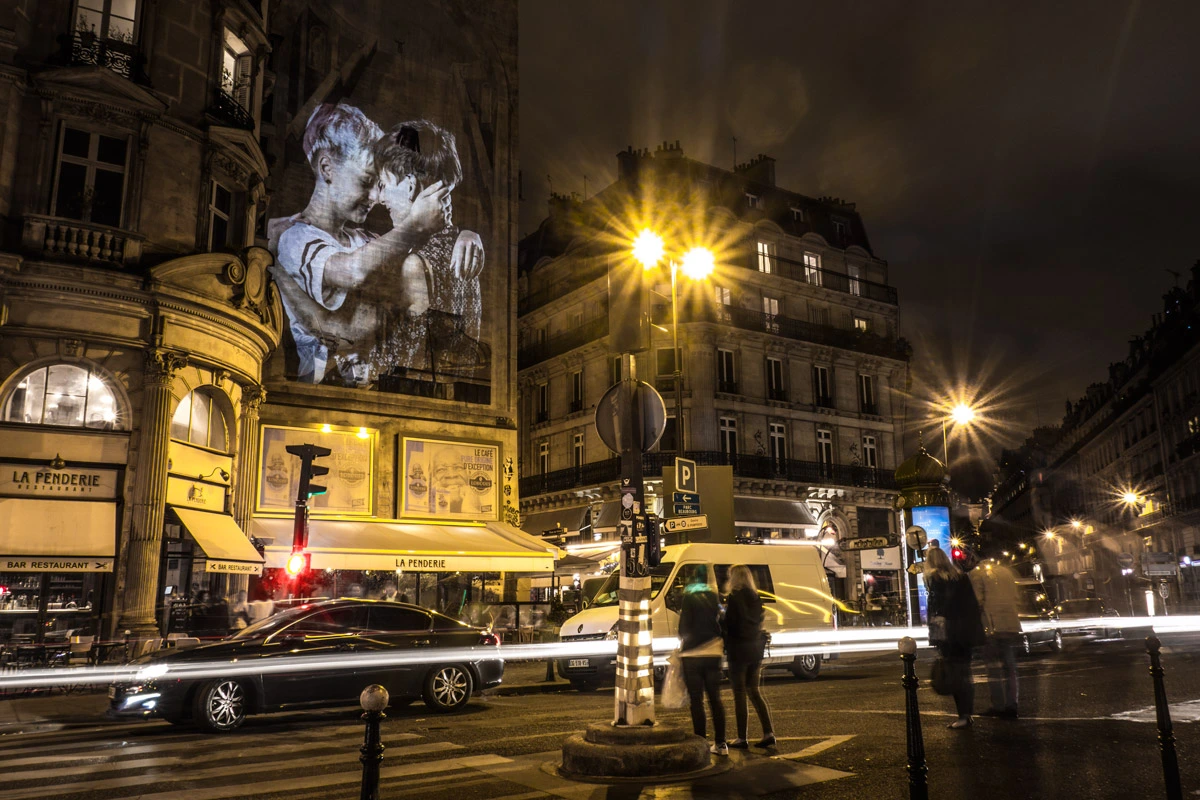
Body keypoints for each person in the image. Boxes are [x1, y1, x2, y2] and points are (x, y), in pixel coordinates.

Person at [267, 102, 451, 384]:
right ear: (326, 167)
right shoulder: (296, 237)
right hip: (317, 385)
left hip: (362, 382)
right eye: (367, 180)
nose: (375, 197)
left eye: (378, 184)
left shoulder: (365, 241)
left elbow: (415, 292)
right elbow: (351, 272)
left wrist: (460, 237)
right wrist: (414, 226)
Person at [925, 544, 986, 729]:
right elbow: (973, 606)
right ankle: (967, 714)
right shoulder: (961, 577)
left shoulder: (935, 579)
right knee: (965, 674)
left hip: (949, 634)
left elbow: (936, 612)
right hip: (965, 633)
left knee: (954, 674)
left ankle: (963, 716)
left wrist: (935, 636)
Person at [723, 564, 776, 749]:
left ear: (734, 578)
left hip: (739, 649)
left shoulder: (734, 597)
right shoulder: (756, 597)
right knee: (754, 691)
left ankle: (741, 737)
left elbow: (730, 624)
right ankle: (768, 732)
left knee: (739, 693)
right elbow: (758, 622)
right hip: (755, 649)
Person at [677, 564, 728, 755]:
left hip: (692, 655)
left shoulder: (689, 596)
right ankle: (721, 744)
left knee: (697, 700)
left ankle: (701, 741)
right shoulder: (713, 596)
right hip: (713, 651)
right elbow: (720, 620)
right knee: (715, 699)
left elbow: (683, 628)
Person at [970, 559, 1022, 719]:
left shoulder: (979, 573)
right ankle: (1012, 704)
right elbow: (1015, 596)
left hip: (992, 625)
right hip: (1011, 623)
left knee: (993, 668)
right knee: (1010, 667)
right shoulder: (1007, 572)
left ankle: (998, 705)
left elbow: (977, 600)